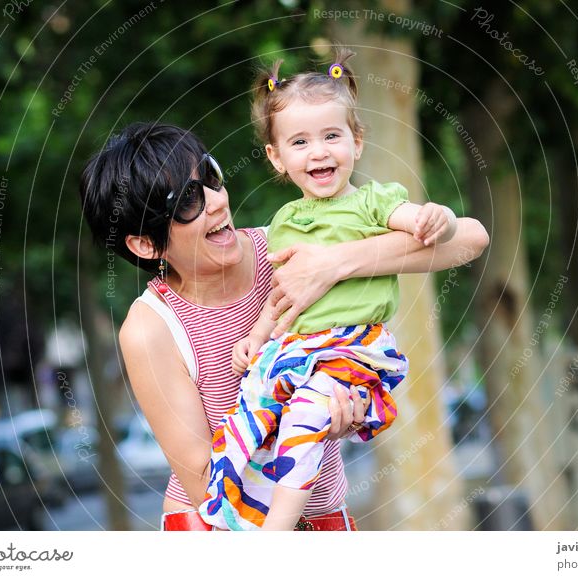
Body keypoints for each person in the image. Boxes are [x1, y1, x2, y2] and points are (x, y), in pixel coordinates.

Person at [78, 118, 488, 531]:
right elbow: (205, 481)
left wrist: (331, 263)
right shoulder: (152, 327)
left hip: (323, 516)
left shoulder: (291, 243)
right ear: (145, 244)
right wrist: (310, 424)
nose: (218, 201)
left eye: (210, 177)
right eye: (186, 201)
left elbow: (469, 239)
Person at [197, 49, 463, 531]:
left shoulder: (371, 203)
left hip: (354, 349)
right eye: (299, 141)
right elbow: (282, 295)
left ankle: (276, 532)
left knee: (304, 418)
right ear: (277, 158)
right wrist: (258, 336)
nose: (318, 151)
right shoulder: (285, 222)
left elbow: (418, 229)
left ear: (357, 143)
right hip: (294, 347)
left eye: (332, 136)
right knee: (248, 415)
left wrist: (438, 219)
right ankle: (226, 511)